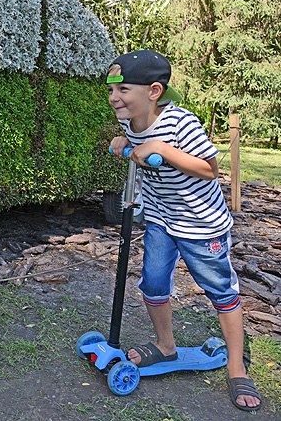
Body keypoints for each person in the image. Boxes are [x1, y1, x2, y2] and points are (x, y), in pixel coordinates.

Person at [106, 50, 262, 412]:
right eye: (111, 90)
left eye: (123, 89)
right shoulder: (132, 120)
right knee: (153, 284)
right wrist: (123, 143)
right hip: (161, 219)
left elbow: (209, 169)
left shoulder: (181, 124)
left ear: (154, 91)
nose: (114, 97)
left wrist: (162, 148)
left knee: (220, 290)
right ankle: (165, 346)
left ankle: (237, 367)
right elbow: (136, 145)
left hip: (200, 224)